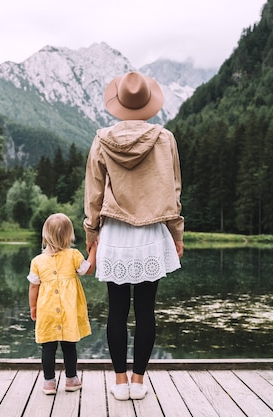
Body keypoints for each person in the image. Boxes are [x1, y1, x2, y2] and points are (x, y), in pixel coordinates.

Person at [83, 71, 184, 401]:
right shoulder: (165, 139)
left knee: (115, 310)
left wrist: (91, 234)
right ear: (148, 103)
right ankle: (139, 382)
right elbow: (173, 191)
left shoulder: (102, 139)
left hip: (115, 233)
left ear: (119, 103)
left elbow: (93, 194)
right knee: (146, 311)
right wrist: (177, 234)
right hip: (152, 233)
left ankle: (120, 380)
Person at [28, 213, 97, 395]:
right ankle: (71, 379)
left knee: (47, 347)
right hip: (69, 311)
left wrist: (33, 307)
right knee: (69, 346)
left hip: (47, 310)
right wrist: (94, 250)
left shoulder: (37, 261)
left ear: (44, 236)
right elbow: (87, 270)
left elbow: (33, 287)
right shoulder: (73, 255)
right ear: (69, 236)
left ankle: (49, 383)